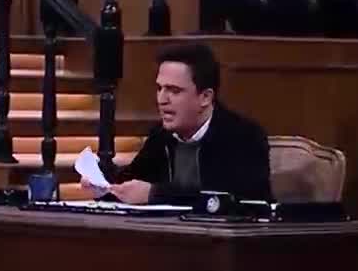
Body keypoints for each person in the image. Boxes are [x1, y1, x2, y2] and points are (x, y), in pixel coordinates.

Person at [82, 43, 272, 205]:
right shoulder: (161, 136)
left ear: (205, 97)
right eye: (159, 88)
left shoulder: (243, 136)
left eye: (174, 91)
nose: (162, 99)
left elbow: (229, 200)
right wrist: (103, 185)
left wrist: (155, 194)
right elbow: (132, 182)